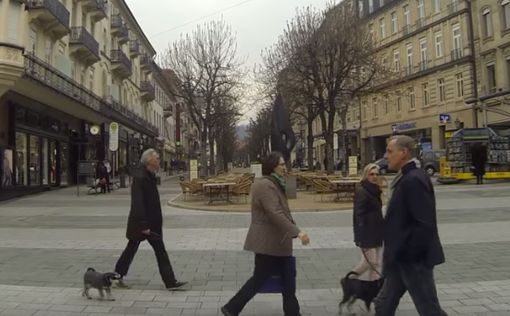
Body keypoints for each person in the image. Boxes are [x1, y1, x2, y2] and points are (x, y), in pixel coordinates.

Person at [221, 151, 310, 316]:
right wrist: (297, 232)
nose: (285, 167)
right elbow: (274, 212)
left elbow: (285, 211)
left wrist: (293, 229)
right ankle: (231, 308)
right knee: (259, 280)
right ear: (272, 166)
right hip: (268, 244)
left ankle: (292, 312)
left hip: (279, 242)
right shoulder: (264, 185)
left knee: (288, 281)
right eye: (282, 164)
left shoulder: (277, 183)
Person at [374, 135, 447, 316]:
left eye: (390, 151)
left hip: (413, 260)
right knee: (383, 304)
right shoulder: (406, 177)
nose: (386, 156)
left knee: (429, 309)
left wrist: (409, 253)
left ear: (404, 153)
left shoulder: (414, 179)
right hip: (400, 257)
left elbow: (424, 223)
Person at [114, 148, 187, 290]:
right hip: (145, 224)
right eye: (157, 158)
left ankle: (117, 276)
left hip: (147, 222)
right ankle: (170, 282)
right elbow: (138, 202)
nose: (160, 160)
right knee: (158, 250)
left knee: (131, 249)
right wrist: (144, 225)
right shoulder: (141, 177)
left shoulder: (148, 175)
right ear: (149, 161)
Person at [349, 163, 384, 281]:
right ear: (366, 175)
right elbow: (358, 214)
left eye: (376, 174)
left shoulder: (376, 190)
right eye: (371, 174)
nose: (374, 176)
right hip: (367, 233)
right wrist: (360, 235)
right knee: (370, 262)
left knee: (377, 263)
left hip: (378, 231)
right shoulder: (362, 191)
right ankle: (350, 278)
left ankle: (375, 289)